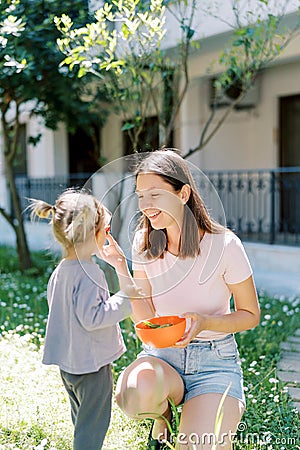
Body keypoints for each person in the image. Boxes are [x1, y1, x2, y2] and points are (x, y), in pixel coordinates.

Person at [115, 149, 260, 450]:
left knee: (197, 447)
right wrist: (120, 267)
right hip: (161, 358)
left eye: (155, 195)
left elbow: (249, 314)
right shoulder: (144, 247)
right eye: (141, 196)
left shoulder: (224, 245)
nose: (146, 206)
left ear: (183, 194)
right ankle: (163, 416)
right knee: (131, 397)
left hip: (214, 363)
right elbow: (146, 320)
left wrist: (206, 322)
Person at [29, 189, 143, 450]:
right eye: (105, 229)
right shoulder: (89, 272)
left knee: (82, 422)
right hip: (91, 367)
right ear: (93, 234)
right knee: (93, 427)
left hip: (69, 365)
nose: (107, 234)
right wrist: (127, 297)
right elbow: (93, 317)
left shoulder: (61, 272)